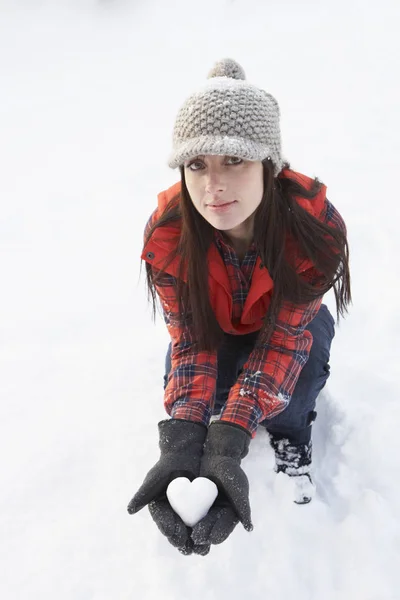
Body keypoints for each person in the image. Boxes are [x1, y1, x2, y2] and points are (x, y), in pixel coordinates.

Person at [127, 58, 351, 556]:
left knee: (298, 381)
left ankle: (292, 433)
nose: (213, 186)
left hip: (289, 325)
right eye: (197, 164)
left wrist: (230, 435)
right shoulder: (168, 233)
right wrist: (187, 435)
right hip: (216, 327)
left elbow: (283, 341)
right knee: (193, 389)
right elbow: (191, 340)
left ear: (270, 165)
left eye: (235, 161)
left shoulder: (314, 230)